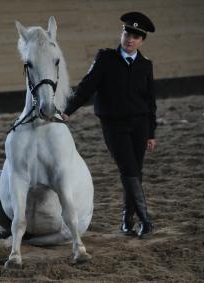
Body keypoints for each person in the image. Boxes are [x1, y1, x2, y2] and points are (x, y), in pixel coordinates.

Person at [62, 12, 157, 239]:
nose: (130, 39)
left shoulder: (145, 65)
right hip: (114, 126)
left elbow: (150, 102)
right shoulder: (105, 58)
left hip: (140, 125)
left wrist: (151, 133)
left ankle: (127, 220)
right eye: (127, 33)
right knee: (128, 170)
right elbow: (87, 87)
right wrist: (67, 110)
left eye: (135, 36)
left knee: (135, 173)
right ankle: (145, 219)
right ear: (121, 33)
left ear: (142, 40)